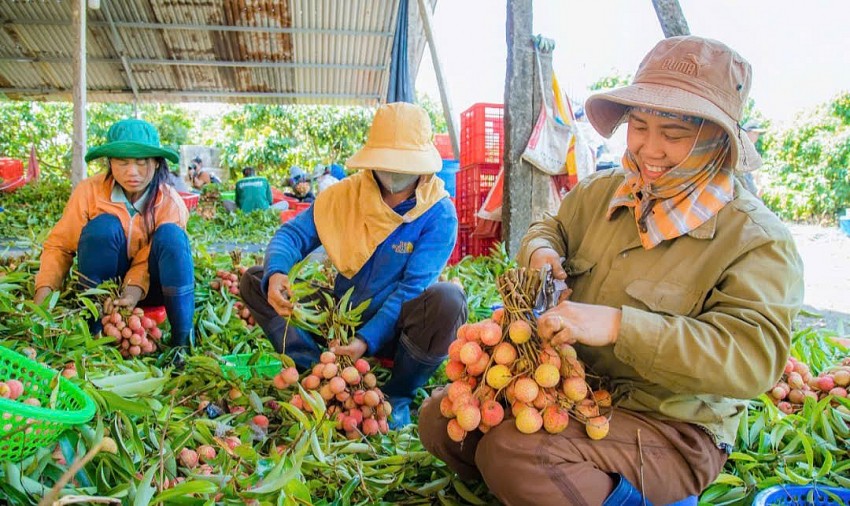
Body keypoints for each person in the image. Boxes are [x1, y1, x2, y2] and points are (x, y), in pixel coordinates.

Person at [418, 36, 804, 505]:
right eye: (639, 126)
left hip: (670, 426)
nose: (650, 149)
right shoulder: (603, 192)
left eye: (675, 134)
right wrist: (542, 252)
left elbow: (752, 358)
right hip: (577, 390)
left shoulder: (756, 238)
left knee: (512, 452)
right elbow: (549, 227)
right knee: (441, 420)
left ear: (717, 138)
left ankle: (615, 492)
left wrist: (621, 326)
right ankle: (558, 485)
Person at [240, 102, 467, 428]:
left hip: (397, 329)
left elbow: (411, 289)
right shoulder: (344, 197)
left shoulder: (437, 213)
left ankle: (397, 395)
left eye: (405, 164)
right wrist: (277, 272)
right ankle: (312, 369)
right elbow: (293, 234)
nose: (394, 173)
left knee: (448, 300)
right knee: (255, 280)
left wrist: (366, 340)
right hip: (338, 317)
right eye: (388, 163)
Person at [33, 118, 196, 364]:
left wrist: (131, 293)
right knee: (103, 227)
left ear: (156, 163)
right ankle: (94, 324)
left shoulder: (170, 202)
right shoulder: (89, 191)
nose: (132, 172)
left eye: (142, 163)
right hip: (102, 284)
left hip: (153, 288)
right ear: (110, 162)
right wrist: (41, 303)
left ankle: (181, 343)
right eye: (122, 162)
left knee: (173, 238)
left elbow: (149, 257)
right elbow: (60, 245)